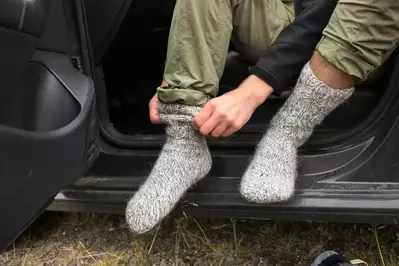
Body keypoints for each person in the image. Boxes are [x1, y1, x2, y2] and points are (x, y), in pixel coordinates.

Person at [125, 0, 399, 233]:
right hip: (280, 16)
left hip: (356, 31)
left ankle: (287, 131)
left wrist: (254, 89)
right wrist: (175, 84)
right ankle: (184, 143)